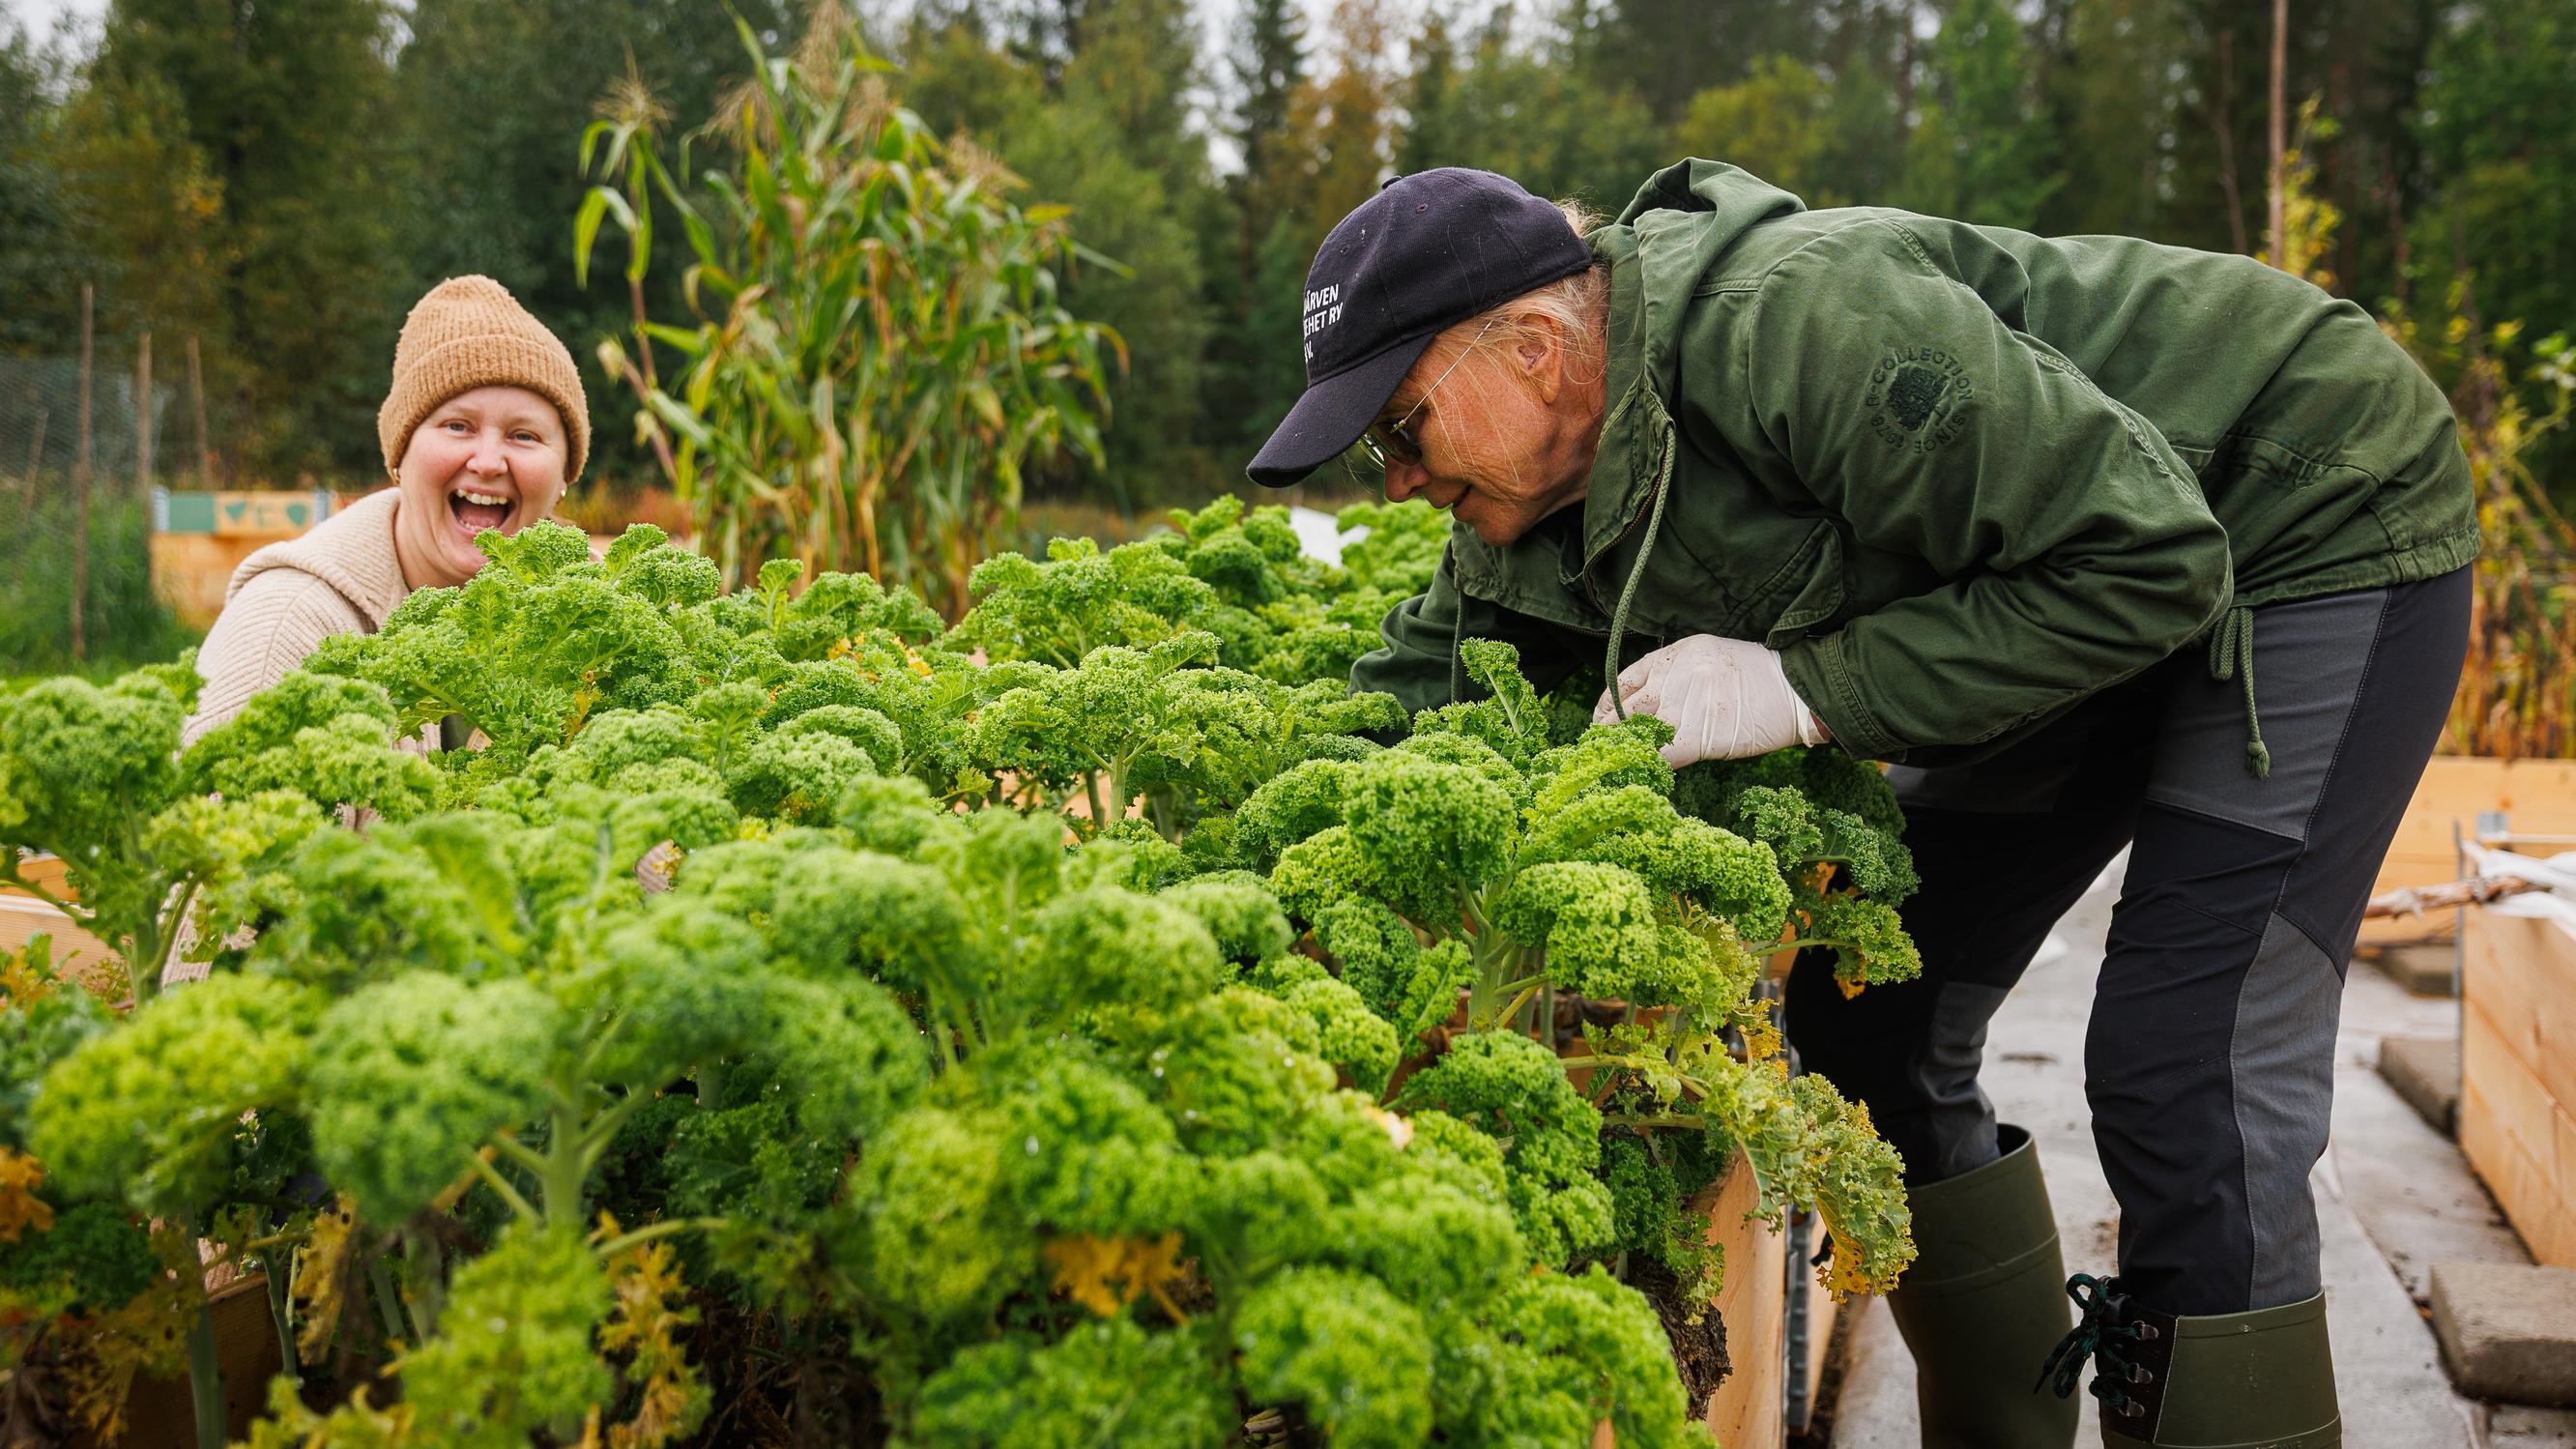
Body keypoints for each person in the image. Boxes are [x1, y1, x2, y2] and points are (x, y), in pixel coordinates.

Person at [1247, 164, 2473, 1449]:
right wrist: (1240, 884)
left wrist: (1802, 688)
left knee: (2185, 1060)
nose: (1396, 480)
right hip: (2060, 588)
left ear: (1538, 351)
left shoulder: (1801, 326)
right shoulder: (1523, 508)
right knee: (1878, 1015)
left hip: (2301, 513)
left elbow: (2150, 561)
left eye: (1401, 427)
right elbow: (1408, 702)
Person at [183, 275, 590, 744]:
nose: (488, 461)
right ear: (400, 455)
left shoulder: (598, 634)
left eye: (524, 436)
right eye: (458, 426)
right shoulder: (287, 629)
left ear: (565, 475)